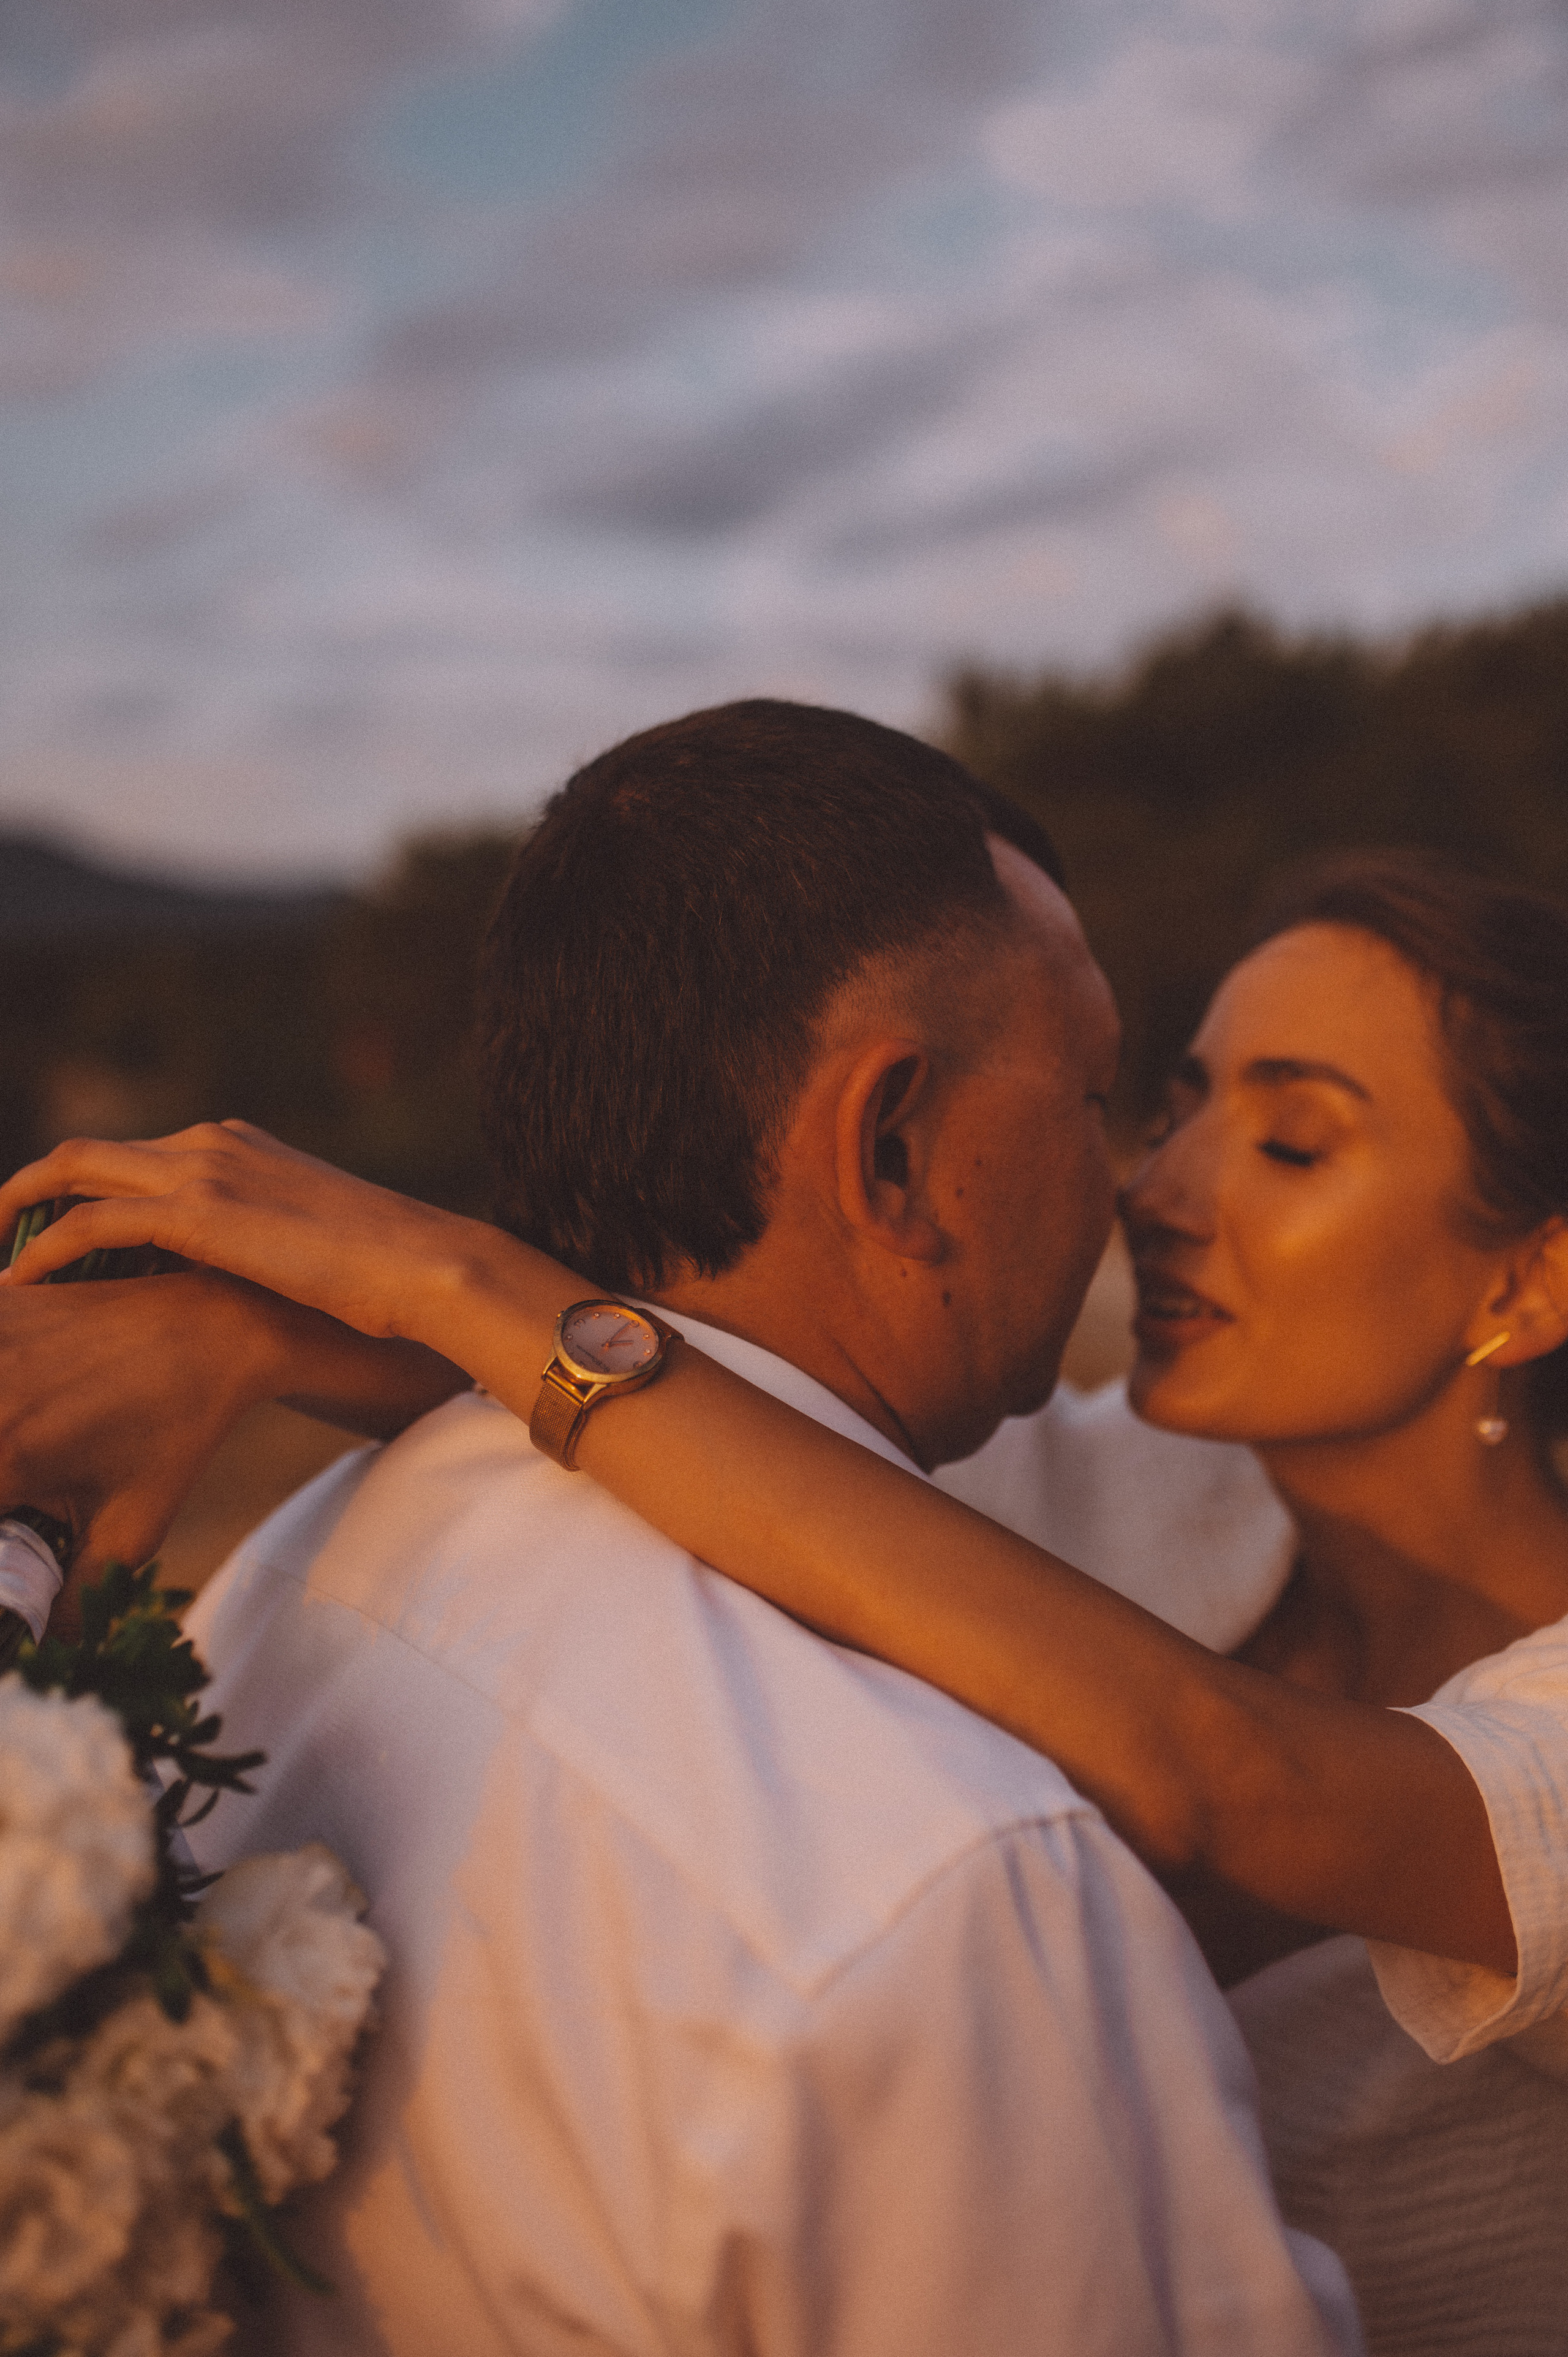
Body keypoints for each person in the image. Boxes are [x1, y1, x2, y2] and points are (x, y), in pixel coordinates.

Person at [0, 703, 1362, 2357]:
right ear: (894, 1143)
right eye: (1093, 1094)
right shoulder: (944, 1897)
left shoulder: (289, 1586)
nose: (1134, 1187)